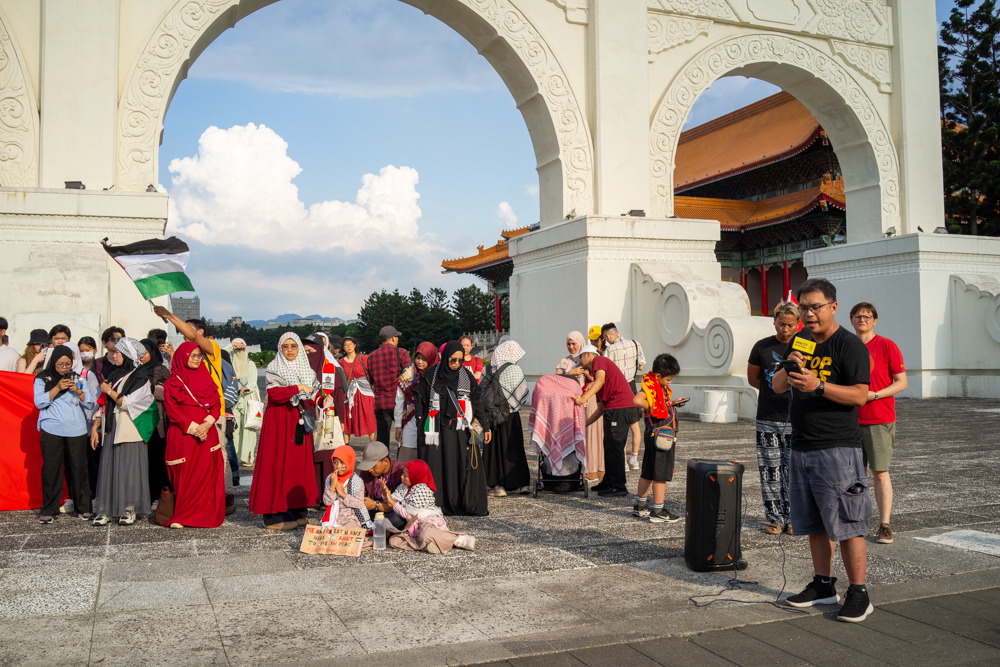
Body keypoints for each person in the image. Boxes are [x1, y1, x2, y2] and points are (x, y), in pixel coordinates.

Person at [772, 278, 874, 623]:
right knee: (814, 521)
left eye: (815, 307)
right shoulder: (799, 341)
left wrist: (819, 386)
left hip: (838, 447)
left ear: (832, 306)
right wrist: (792, 364)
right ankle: (823, 585)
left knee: (847, 522)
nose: (809, 314)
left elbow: (860, 395)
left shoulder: (849, 345)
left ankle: (859, 592)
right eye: (804, 307)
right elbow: (776, 384)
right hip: (802, 445)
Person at [152, 308, 234, 514]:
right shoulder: (181, 369)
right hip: (189, 424)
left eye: (187, 331)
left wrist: (170, 317)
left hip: (212, 415)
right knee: (191, 464)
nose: (184, 335)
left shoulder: (212, 350)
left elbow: (193, 336)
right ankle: (190, 504)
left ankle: (224, 498)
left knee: (217, 460)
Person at [249, 332, 320, 531]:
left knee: (297, 465)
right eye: (285, 346)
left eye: (293, 346)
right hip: (279, 422)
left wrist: (322, 399)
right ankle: (274, 516)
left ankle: (296, 511)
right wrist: (297, 387)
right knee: (277, 462)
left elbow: (314, 393)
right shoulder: (274, 367)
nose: (289, 350)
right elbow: (274, 393)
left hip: (298, 422)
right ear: (280, 348)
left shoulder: (306, 369)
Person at [851, 302, 907, 545]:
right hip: (849, 419)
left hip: (878, 417)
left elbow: (901, 381)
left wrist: (874, 395)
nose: (862, 319)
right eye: (858, 316)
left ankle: (885, 524)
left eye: (868, 316)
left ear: (875, 321)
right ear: (851, 319)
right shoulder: (846, 345)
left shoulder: (886, 345)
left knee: (880, 472)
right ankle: (856, 521)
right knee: (853, 474)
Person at [415, 340, 491, 516]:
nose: (456, 364)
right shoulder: (431, 374)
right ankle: (438, 503)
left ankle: (459, 503)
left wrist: (485, 427)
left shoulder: (466, 376)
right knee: (438, 468)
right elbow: (419, 398)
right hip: (437, 431)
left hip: (459, 432)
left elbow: (477, 403)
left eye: (459, 360)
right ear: (445, 358)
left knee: (458, 466)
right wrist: (421, 423)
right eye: (452, 360)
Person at [747, 302, 800, 535]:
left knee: (794, 472)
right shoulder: (762, 347)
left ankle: (794, 518)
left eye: (790, 325)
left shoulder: (804, 347)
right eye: (781, 324)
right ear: (774, 321)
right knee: (770, 470)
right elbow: (753, 379)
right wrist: (773, 390)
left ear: (797, 325)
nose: (785, 329)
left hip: (796, 418)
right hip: (768, 416)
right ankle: (774, 518)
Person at [91, 337, 157, 526]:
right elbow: (102, 403)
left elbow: (129, 403)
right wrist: (95, 427)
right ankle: (107, 509)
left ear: (128, 355)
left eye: (118, 352)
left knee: (130, 469)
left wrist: (108, 391)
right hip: (112, 427)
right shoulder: (115, 374)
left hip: (130, 429)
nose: (114, 355)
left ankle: (129, 509)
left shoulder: (140, 377)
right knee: (110, 468)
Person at [162, 342, 225, 528]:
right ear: (182, 356)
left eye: (199, 355)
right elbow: (172, 411)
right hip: (184, 434)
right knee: (186, 475)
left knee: (206, 474)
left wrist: (207, 424)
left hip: (207, 433)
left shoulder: (207, 377)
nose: (197, 359)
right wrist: (194, 428)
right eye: (193, 355)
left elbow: (216, 405)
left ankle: (206, 513)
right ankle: (183, 515)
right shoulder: (172, 382)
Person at [34, 345, 95, 523]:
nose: (64, 368)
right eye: (60, 364)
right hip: (51, 428)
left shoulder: (78, 378)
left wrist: (78, 391)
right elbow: (39, 402)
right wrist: (58, 387)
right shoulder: (42, 378)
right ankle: (49, 509)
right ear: (53, 362)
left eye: (68, 364)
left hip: (76, 428)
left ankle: (83, 508)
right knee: (51, 469)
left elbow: (90, 403)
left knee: (79, 469)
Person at [575, 344, 636, 497]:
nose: (579, 360)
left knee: (615, 445)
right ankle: (609, 481)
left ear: (588, 354)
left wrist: (583, 398)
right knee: (609, 445)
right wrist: (585, 424)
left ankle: (618, 486)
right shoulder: (596, 376)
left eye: (580, 356)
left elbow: (600, 381)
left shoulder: (599, 360)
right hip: (613, 409)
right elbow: (601, 408)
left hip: (620, 407)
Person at [632, 354, 685, 523]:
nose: (669, 383)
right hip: (661, 435)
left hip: (652, 434)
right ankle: (658, 510)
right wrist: (653, 407)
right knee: (660, 474)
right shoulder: (650, 387)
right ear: (658, 376)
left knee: (648, 471)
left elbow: (663, 404)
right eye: (668, 380)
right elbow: (637, 400)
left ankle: (641, 506)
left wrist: (673, 403)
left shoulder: (656, 387)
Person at [384, 460, 476, 553]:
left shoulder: (422, 490)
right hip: (415, 529)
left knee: (426, 534)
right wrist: (386, 494)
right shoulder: (404, 487)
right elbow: (394, 498)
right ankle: (428, 545)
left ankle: (458, 540)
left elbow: (409, 514)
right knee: (393, 541)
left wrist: (391, 501)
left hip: (427, 523)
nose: (401, 477)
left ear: (415, 476)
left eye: (405, 475)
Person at [483, 340, 531, 497]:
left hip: (493, 416)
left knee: (496, 450)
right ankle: (521, 484)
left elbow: (481, 391)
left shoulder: (488, 369)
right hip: (510, 416)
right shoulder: (514, 369)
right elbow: (523, 394)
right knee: (514, 448)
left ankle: (499, 485)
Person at [555, 331, 604, 482]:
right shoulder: (564, 361)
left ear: (580, 343)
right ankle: (576, 469)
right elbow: (555, 381)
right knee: (575, 436)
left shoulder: (591, 358)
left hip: (589, 401)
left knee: (592, 434)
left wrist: (588, 375)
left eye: (574, 344)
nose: (571, 347)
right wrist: (571, 372)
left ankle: (594, 469)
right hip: (570, 404)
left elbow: (599, 379)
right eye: (568, 344)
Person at [59, 341, 100, 515]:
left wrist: (92, 427)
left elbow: (95, 402)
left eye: (71, 355)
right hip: (65, 426)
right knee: (68, 464)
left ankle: (91, 498)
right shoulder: (56, 376)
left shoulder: (85, 375)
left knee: (86, 464)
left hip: (84, 426)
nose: (68, 359)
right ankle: (73, 498)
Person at [602, 323, 646, 472]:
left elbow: (605, 371)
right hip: (632, 386)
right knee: (634, 425)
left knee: (621, 425)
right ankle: (634, 459)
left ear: (607, 336)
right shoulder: (635, 343)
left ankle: (624, 460)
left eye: (604, 338)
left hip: (619, 388)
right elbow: (641, 365)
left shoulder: (610, 349)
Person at [367, 325, 411, 451]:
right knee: (402, 438)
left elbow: (371, 381)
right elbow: (408, 378)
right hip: (398, 402)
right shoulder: (402, 353)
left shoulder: (370, 357)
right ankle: (401, 465)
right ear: (393, 338)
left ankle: (382, 465)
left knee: (382, 440)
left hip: (381, 403)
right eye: (397, 337)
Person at [395, 342, 438, 463]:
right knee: (409, 451)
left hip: (433, 419)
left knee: (430, 452)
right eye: (418, 358)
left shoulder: (438, 374)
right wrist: (398, 425)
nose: (420, 362)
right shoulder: (407, 374)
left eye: (424, 359)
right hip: (411, 419)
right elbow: (399, 400)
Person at [142, 338, 171, 504]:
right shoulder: (135, 370)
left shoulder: (161, 370)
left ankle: (159, 496)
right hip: (140, 421)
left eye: (145, 352)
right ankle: (145, 495)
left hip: (157, 422)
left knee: (158, 459)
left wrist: (152, 388)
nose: (142, 356)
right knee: (143, 460)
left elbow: (168, 394)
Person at [355, 441, 407, 529]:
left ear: (386, 461)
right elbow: (359, 494)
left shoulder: (400, 471)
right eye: (367, 466)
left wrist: (375, 504)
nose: (370, 470)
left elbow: (402, 505)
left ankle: (377, 527)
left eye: (373, 466)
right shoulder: (366, 471)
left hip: (396, 511)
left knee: (397, 520)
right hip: (374, 511)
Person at [321, 445, 372, 530]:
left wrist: (343, 494)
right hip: (332, 518)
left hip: (350, 519)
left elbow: (359, 504)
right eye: (335, 462)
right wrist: (332, 486)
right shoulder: (330, 478)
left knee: (351, 536)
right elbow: (327, 502)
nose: (338, 466)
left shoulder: (357, 481)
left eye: (342, 462)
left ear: (350, 462)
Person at [228, 338, 261, 467]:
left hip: (248, 398)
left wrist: (245, 388)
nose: (239, 351)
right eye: (237, 349)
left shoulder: (250, 364)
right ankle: (235, 456)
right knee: (235, 429)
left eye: (241, 348)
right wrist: (232, 345)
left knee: (248, 429)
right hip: (234, 398)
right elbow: (220, 352)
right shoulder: (229, 363)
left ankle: (248, 456)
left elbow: (253, 381)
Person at [340, 335, 376, 443]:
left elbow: (372, 373)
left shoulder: (363, 358)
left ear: (355, 345)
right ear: (343, 347)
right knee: (347, 418)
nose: (349, 346)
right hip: (350, 393)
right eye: (346, 344)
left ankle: (373, 443)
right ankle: (346, 444)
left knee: (369, 417)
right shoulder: (341, 362)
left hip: (364, 392)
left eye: (351, 344)